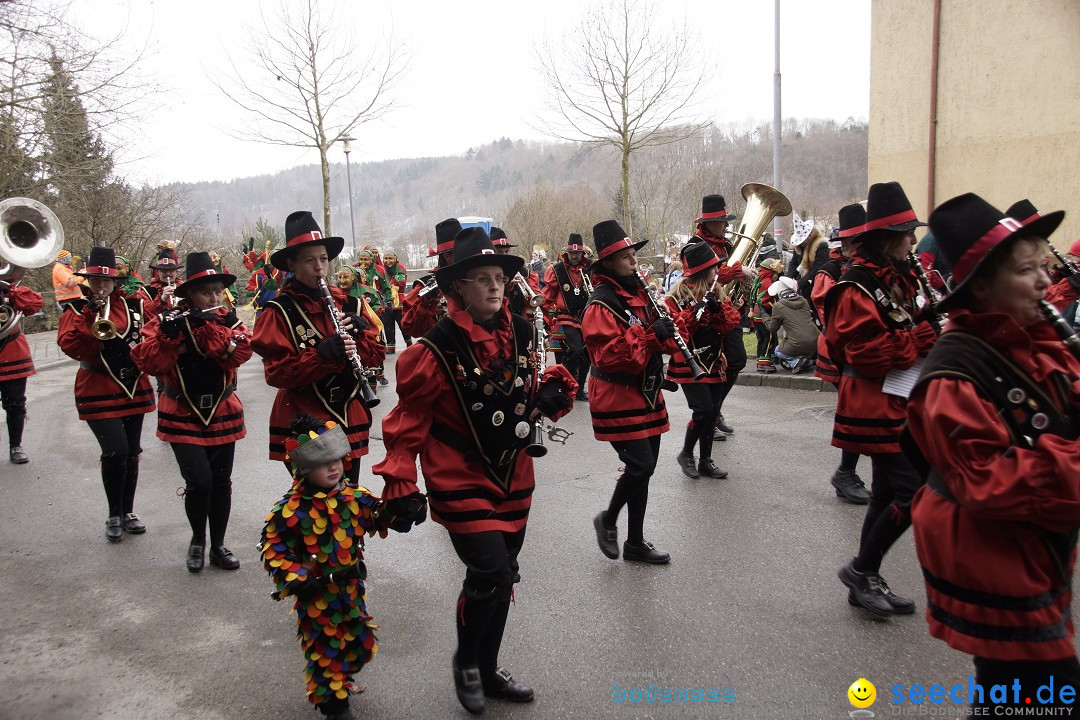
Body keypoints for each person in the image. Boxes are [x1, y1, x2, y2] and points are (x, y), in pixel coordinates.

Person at [373, 227, 576, 715]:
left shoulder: (525, 333)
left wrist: (551, 396)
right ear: (456, 289)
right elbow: (408, 423)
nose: (494, 287)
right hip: (456, 473)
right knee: (490, 570)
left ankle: (488, 669)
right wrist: (400, 484)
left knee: (503, 575)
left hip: (514, 472)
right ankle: (466, 663)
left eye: (499, 278)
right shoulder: (431, 350)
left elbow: (534, 387)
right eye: (481, 279)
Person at [906, 193, 1080, 708]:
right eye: (1027, 271)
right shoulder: (954, 375)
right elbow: (988, 482)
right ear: (981, 287)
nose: (1047, 282)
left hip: (1026, 546)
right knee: (1046, 689)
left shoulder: (1037, 336)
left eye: (1044, 267)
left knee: (1012, 693)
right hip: (990, 555)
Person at [824, 181, 938, 618]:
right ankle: (861, 569)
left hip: (900, 397)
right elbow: (863, 354)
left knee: (887, 492)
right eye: (908, 233)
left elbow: (902, 329)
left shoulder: (900, 275)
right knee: (913, 493)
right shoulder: (855, 286)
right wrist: (917, 337)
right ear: (888, 238)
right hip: (871, 400)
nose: (913, 241)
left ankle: (865, 579)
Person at [262, 415, 418, 720]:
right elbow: (273, 547)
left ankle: (343, 677)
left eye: (337, 460)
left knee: (359, 642)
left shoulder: (353, 497)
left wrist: (400, 510)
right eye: (324, 463)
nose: (334, 467)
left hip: (351, 590)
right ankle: (333, 704)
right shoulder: (289, 511)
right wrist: (297, 576)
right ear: (304, 469)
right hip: (317, 597)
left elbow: (378, 515)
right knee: (324, 650)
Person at [130, 252, 251, 573]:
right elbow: (148, 362)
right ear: (189, 295)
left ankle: (218, 545)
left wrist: (218, 334)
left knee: (221, 481)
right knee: (199, 482)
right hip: (182, 410)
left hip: (223, 408)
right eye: (205, 292)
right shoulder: (166, 322)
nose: (213, 298)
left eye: (217, 291)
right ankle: (198, 540)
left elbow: (243, 351)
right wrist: (171, 339)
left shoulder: (226, 319)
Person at [250, 211, 386, 486]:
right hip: (304, 415)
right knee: (319, 507)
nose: (319, 268)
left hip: (348, 411)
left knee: (348, 499)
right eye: (310, 260)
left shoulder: (348, 303)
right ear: (292, 264)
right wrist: (321, 356)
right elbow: (276, 373)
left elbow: (375, 358)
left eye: (323, 259)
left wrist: (360, 337)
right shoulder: (278, 312)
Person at [584, 220, 684, 565]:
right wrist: (650, 336)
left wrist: (670, 329)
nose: (633, 262)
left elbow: (663, 341)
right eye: (626, 257)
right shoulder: (601, 304)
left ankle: (635, 543)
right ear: (608, 264)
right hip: (616, 394)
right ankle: (607, 520)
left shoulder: (641, 295)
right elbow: (609, 356)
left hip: (646, 391)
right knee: (639, 466)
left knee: (647, 468)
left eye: (633, 255)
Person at [57, 246, 155, 542]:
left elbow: (151, 338)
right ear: (87, 281)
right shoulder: (76, 309)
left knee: (132, 453)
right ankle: (113, 513)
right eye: (95, 281)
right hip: (98, 385)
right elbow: (71, 346)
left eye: (106, 281)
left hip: (133, 386)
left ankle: (128, 511)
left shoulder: (135, 307)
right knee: (115, 451)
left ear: (115, 282)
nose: (101, 286)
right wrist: (89, 319)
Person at [664, 242, 741, 479]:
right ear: (701, 272)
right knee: (703, 411)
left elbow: (730, 324)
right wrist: (694, 312)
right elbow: (676, 331)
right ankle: (686, 454)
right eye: (713, 269)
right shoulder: (674, 298)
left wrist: (718, 308)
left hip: (714, 360)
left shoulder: (717, 292)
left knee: (713, 411)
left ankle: (706, 460)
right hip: (690, 363)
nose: (717, 273)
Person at [813, 203, 870, 504]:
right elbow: (826, 308)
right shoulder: (832, 270)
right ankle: (845, 473)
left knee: (865, 410)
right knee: (856, 410)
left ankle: (852, 471)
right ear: (847, 243)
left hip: (854, 347)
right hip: (839, 346)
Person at [685, 195, 753, 440]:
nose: (726, 226)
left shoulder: (726, 245)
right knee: (710, 369)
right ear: (709, 223)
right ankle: (707, 418)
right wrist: (736, 271)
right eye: (722, 221)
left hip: (725, 312)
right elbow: (700, 276)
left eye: (726, 221)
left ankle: (715, 412)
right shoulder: (693, 245)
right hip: (704, 317)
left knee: (736, 361)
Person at [542, 234, 593, 401]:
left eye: (577, 253)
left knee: (587, 354)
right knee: (575, 349)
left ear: (583, 254)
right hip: (564, 318)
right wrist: (550, 318)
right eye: (571, 253)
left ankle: (579, 388)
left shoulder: (591, 268)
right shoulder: (557, 270)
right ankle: (569, 383)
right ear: (567, 253)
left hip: (586, 317)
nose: (574, 256)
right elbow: (547, 297)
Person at [0, 273, 43, 463]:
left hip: (11, 352)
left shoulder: (9, 288)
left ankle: (15, 446)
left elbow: (34, 304)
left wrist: (9, 289)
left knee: (15, 404)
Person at [400, 218, 460, 338]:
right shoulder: (427, 285)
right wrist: (426, 303)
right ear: (447, 256)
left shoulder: (474, 279)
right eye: (461, 252)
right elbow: (409, 327)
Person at [765, 276, 820, 373]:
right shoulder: (803, 300)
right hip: (816, 340)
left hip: (797, 343)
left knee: (778, 350)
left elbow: (772, 328)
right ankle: (807, 359)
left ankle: (796, 362)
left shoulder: (779, 306)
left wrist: (765, 316)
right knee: (799, 342)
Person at [492, 227, 542, 321]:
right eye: (500, 252)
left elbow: (534, 302)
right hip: (498, 320)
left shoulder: (521, 270)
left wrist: (525, 290)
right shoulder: (488, 271)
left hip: (517, 319)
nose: (505, 256)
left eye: (506, 251)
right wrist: (507, 284)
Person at [750, 257, 783, 374]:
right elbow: (763, 301)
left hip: (756, 314)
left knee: (761, 339)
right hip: (764, 315)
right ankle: (764, 363)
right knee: (767, 338)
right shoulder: (768, 281)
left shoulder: (760, 278)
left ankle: (760, 361)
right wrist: (774, 307)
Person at [137, 244, 181, 314]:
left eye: (171, 270)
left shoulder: (184, 289)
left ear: (176, 271)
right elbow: (144, 314)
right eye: (164, 270)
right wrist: (162, 299)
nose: (168, 273)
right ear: (158, 272)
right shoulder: (146, 291)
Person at [381, 249, 410, 352]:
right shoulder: (382, 269)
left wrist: (391, 280)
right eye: (386, 258)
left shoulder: (400, 268)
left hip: (399, 301)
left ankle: (408, 342)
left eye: (390, 258)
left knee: (402, 323)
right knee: (388, 325)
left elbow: (401, 281)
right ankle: (391, 347)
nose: (388, 261)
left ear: (395, 259)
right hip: (386, 302)